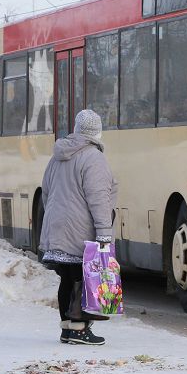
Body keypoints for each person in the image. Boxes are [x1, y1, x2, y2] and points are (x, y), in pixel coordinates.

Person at [40, 109, 118, 346]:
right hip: (81, 229)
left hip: (57, 226)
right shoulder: (93, 158)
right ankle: (79, 328)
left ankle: (67, 328)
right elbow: (99, 199)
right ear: (97, 131)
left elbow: (46, 192)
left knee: (67, 277)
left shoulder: (58, 156)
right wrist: (104, 233)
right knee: (82, 278)